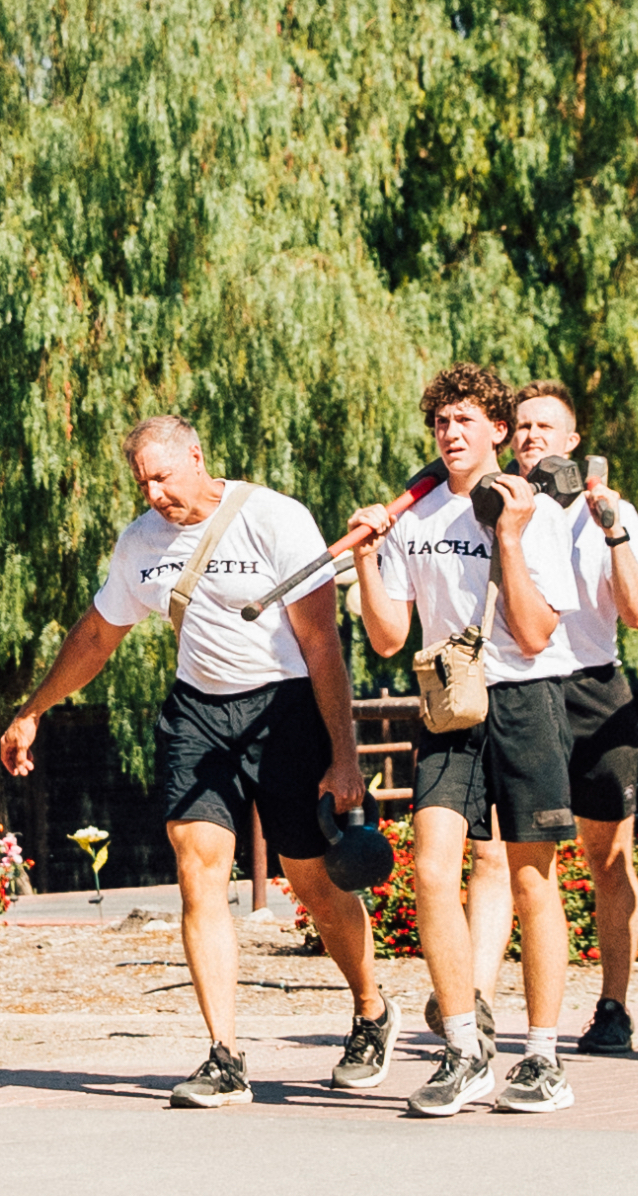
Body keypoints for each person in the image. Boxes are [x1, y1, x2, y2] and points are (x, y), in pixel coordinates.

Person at [0, 416, 393, 1109]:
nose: (154, 493)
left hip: (285, 710)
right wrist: (34, 709)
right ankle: (225, 1056)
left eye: (163, 476)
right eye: (142, 483)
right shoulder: (141, 542)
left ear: (196, 456)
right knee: (198, 871)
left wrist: (344, 756)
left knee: (312, 879)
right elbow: (97, 636)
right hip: (198, 715)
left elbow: (322, 645)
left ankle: (371, 1008)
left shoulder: (275, 518)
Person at [349, 364, 580, 1116]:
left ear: (498, 432)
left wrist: (507, 536)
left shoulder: (536, 511)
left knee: (531, 880)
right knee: (430, 869)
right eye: (441, 421)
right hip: (449, 703)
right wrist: (365, 554)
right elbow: (389, 638)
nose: (450, 432)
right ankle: (463, 1047)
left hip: (524, 697)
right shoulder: (413, 516)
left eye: (465, 420)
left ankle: (543, 1056)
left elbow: (537, 633)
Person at [459, 380, 638, 1057]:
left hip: (591, 689)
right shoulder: (494, 506)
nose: (531, 435)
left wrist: (613, 529)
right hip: (516, 688)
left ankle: (613, 1005)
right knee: (494, 855)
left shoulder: (608, 510)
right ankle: (477, 1002)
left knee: (607, 856)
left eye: (545, 426)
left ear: (572, 441)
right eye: (521, 425)